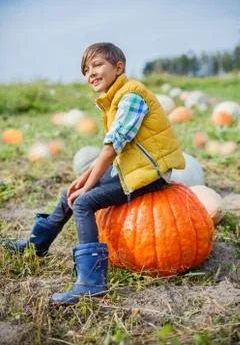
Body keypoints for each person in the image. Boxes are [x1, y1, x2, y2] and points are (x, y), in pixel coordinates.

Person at [2, 42, 185, 305]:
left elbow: (113, 147)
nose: (91, 73)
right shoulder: (114, 98)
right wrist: (84, 178)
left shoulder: (132, 96)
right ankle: (36, 245)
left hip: (151, 173)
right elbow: (112, 149)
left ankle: (91, 283)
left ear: (118, 67)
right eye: (86, 70)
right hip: (133, 168)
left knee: (84, 202)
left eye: (97, 65)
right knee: (73, 193)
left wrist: (88, 186)